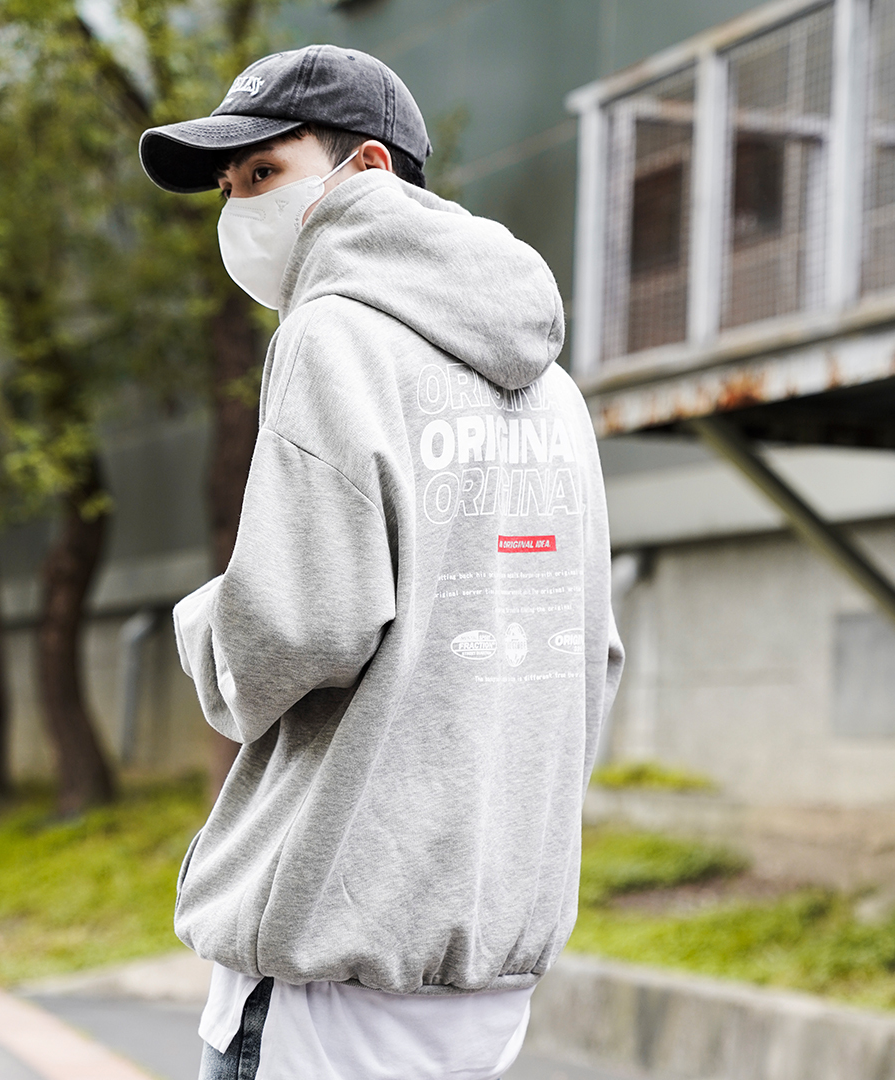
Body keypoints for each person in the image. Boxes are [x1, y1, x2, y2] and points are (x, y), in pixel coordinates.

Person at [139, 44, 624, 1080]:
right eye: (228, 187)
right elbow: (589, 655)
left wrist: (205, 626)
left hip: (330, 980)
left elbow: (296, 628)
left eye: (264, 172)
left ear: (366, 168)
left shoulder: (334, 336)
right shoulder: (554, 392)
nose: (240, 209)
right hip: (486, 977)